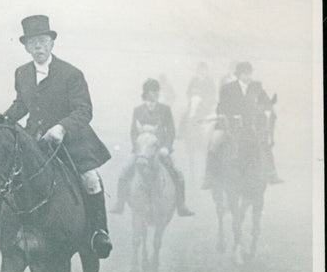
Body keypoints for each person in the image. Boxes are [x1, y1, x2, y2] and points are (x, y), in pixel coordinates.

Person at [0, 15, 113, 259]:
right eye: (33, 43)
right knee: (5, 171)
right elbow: (21, 105)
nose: (38, 47)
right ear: (27, 47)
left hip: (70, 141)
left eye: (42, 41)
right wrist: (1, 124)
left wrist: (61, 128)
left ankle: (98, 233)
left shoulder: (71, 74)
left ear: (51, 44)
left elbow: (84, 111)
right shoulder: (22, 73)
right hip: (34, 140)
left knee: (91, 178)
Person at [110, 79, 195, 217]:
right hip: (141, 150)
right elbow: (133, 132)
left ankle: (181, 206)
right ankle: (119, 204)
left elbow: (171, 131)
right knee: (124, 171)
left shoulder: (165, 109)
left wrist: (166, 148)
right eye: (151, 92)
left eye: (156, 92)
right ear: (145, 94)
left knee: (178, 174)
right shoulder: (137, 110)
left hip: (160, 150)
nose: (153, 95)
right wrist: (138, 148)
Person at [201, 61, 282, 189]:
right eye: (245, 74)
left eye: (250, 73)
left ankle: (272, 173)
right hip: (230, 124)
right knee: (214, 142)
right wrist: (227, 116)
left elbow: (266, 103)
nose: (248, 76)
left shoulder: (257, 87)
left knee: (264, 141)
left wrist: (268, 107)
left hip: (251, 125)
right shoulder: (227, 88)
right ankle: (209, 177)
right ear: (238, 75)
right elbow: (221, 107)